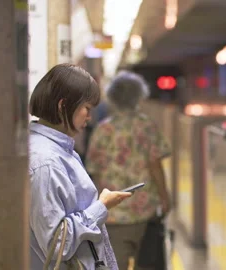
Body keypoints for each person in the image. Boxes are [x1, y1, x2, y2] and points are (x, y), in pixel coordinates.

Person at [28, 63, 132, 270]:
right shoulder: (45, 162)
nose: (90, 117)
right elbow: (57, 245)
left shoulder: (57, 150)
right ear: (62, 106)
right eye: (86, 108)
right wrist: (101, 207)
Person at [86, 70, 171, 270]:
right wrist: (165, 198)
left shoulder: (103, 129)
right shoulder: (147, 126)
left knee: (116, 264)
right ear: (139, 96)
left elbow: (94, 171)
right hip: (145, 211)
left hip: (113, 213)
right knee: (148, 262)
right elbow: (155, 166)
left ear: (113, 97)